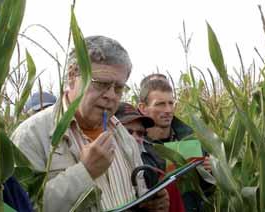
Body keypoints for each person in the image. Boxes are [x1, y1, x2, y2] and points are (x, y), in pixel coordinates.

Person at [12, 35, 168, 211]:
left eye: (118, 88)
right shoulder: (31, 135)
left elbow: (135, 194)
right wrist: (85, 172)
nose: (111, 95)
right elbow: (22, 206)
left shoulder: (123, 135)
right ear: (72, 76)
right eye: (101, 84)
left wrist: (149, 203)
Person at [138, 75, 215, 212]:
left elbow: (206, 192)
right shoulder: (137, 146)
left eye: (171, 103)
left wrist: (209, 172)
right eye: (160, 104)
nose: (168, 110)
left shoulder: (189, 139)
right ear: (143, 108)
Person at [115, 102, 186, 212]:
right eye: (128, 132)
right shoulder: (98, 167)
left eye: (140, 133)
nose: (136, 138)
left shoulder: (157, 166)